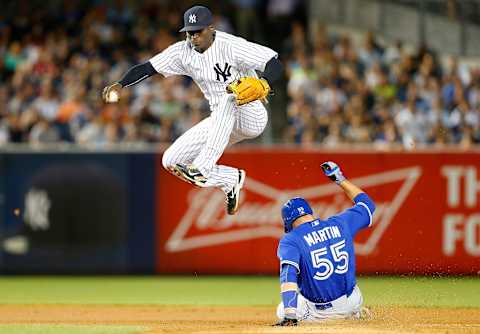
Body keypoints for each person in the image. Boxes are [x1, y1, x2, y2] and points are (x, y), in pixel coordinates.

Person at [102, 5, 283, 215]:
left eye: (198, 31)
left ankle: (203, 167)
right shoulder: (182, 52)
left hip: (250, 114)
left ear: (211, 28)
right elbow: (147, 68)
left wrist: (264, 83)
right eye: (190, 32)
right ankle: (229, 178)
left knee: (230, 93)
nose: (194, 37)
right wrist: (121, 84)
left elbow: (274, 63)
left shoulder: (231, 45)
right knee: (171, 160)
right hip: (221, 123)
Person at [274, 161, 376, 326]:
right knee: (351, 298)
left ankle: (334, 317)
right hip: (353, 300)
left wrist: (290, 316)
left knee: (281, 309)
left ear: (288, 222)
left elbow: (288, 275)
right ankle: (355, 313)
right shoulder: (340, 223)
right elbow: (368, 205)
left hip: (322, 313)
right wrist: (339, 179)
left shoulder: (291, 240)